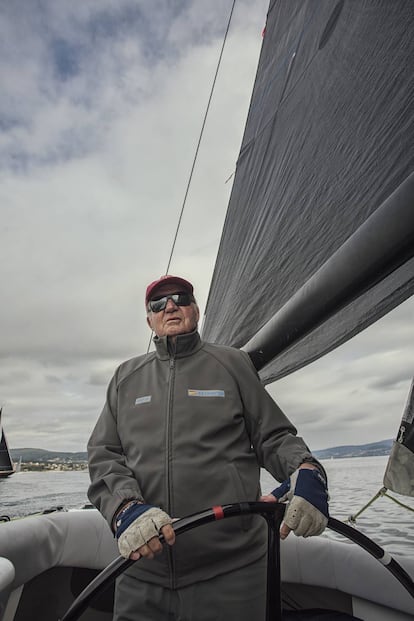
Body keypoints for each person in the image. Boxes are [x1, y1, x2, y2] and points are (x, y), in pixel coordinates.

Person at [87, 274, 329, 621]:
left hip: (231, 572)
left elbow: (273, 437)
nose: (170, 306)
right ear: (149, 320)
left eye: (181, 298)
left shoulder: (232, 364)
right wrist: (124, 506)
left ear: (195, 310)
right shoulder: (125, 378)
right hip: (141, 570)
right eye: (159, 303)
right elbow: (103, 453)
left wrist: (305, 468)